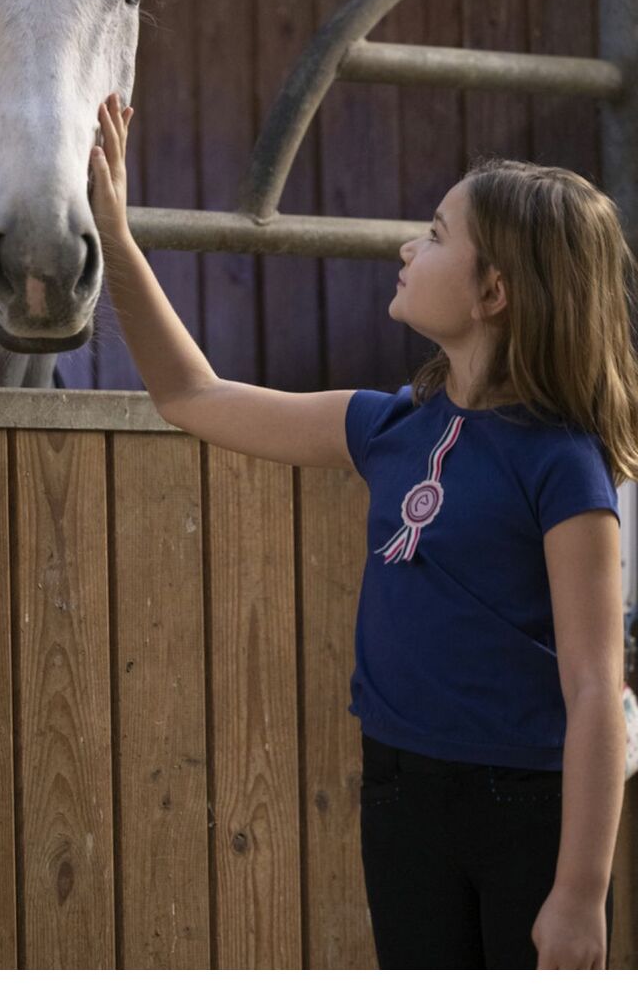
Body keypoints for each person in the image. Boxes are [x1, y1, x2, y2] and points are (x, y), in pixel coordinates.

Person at [89, 92, 638, 970]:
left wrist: (577, 896)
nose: (406, 247)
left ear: (493, 290)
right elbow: (191, 397)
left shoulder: (562, 466)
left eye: (434, 233)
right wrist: (115, 240)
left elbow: (592, 688)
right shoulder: (385, 427)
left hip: (526, 811)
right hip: (398, 796)